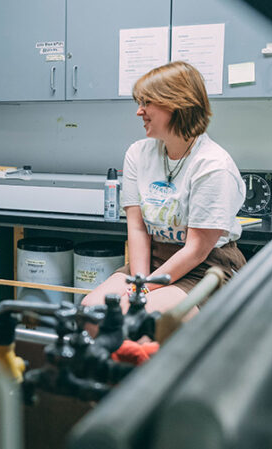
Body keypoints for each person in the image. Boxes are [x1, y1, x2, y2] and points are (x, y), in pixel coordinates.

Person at [82, 61, 247, 316]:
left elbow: (196, 250)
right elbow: (137, 228)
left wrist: (145, 291)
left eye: (147, 102)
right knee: (92, 313)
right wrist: (139, 283)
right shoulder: (138, 154)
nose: (139, 112)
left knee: (146, 320)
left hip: (208, 267)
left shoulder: (214, 166)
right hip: (155, 259)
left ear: (176, 104)